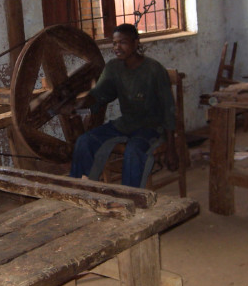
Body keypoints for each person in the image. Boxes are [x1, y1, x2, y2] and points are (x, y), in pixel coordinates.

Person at [69, 23, 178, 188]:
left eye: (123, 42)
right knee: (85, 141)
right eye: (114, 43)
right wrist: (76, 106)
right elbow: (99, 95)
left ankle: (129, 198)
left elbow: (169, 110)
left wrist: (171, 148)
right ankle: (79, 189)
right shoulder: (113, 67)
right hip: (126, 124)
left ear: (136, 43)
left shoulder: (154, 70)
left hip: (152, 128)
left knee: (133, 151)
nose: (117, 47)